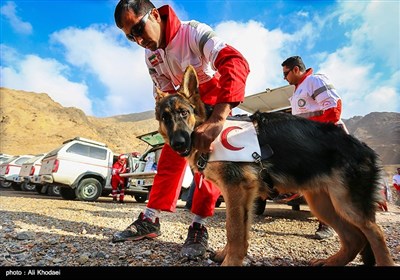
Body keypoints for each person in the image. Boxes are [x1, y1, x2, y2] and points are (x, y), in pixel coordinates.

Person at [112, 0, 250, 260]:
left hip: (214, 104)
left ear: (154, 15)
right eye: (130, 37)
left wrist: (218, 118)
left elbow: (235, 62)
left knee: (210, 162)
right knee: (169, 156)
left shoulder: (194, 32)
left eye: (139, 30)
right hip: (183, 108)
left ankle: (199, 227)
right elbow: (163, 90)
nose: (139, 40)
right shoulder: (150, 54)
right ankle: (150, 220)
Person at [281, 55, 346, 240]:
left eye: (285, 73)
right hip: (310, 142)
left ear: (296, 69)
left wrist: (305, 130)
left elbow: (334, 110)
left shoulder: (315, 80)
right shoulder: (297, 92)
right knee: (314, 185)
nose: (284, 78)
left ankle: (329, 224)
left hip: (325, 140)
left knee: (325, 184)